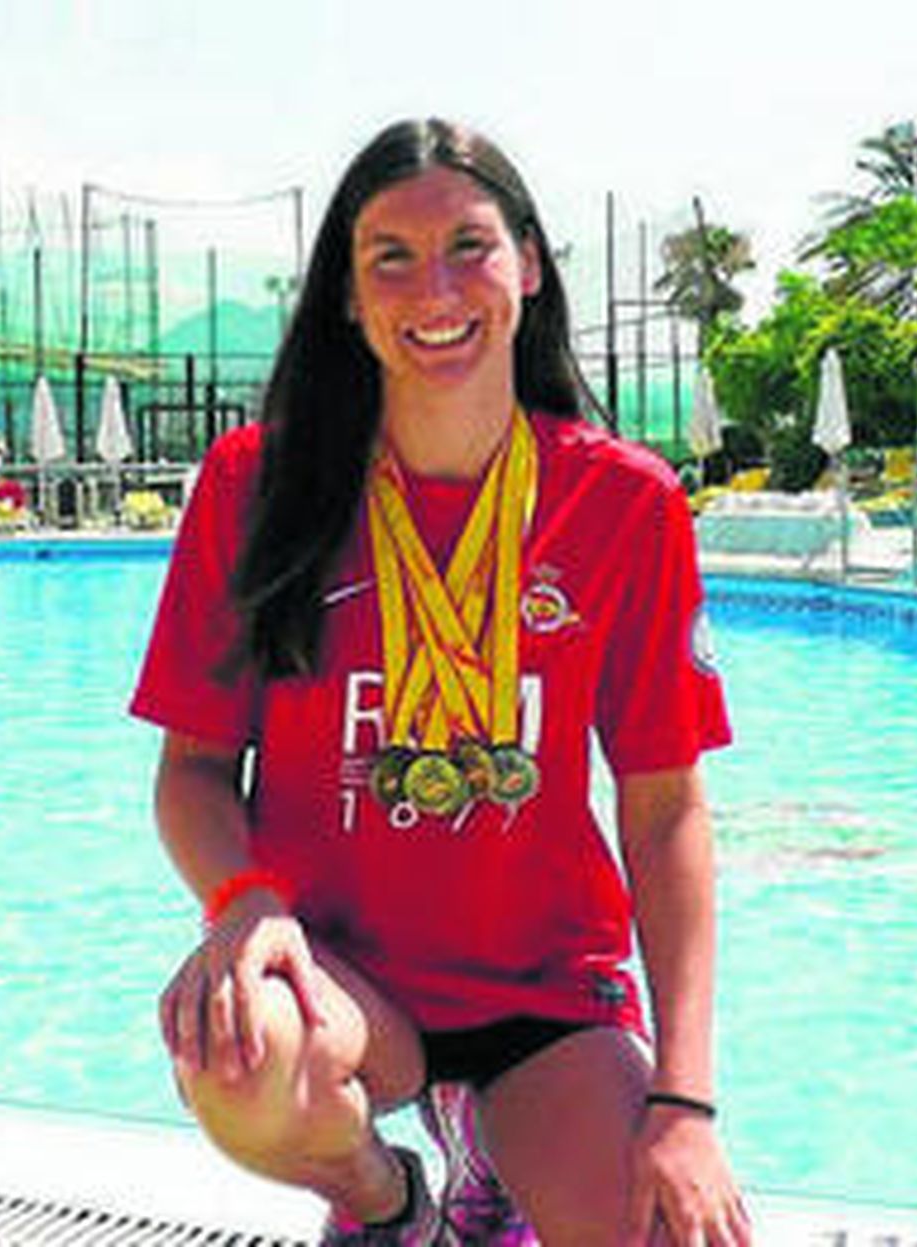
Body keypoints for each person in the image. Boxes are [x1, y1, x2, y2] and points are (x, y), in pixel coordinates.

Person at [132, 119, 752, 1247]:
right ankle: (389, 1202)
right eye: (391, 258)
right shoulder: (255, 487)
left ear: (528, 264)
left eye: (469, 245)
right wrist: (247, 906)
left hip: (546, 994)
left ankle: (493, 1162)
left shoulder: (621, 504)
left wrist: (684, 1100)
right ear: (348, 300)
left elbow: (665, 813)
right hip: (344, 973)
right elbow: (190, 774)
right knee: (238, 1055)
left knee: (666, 1233)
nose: (436, 289)